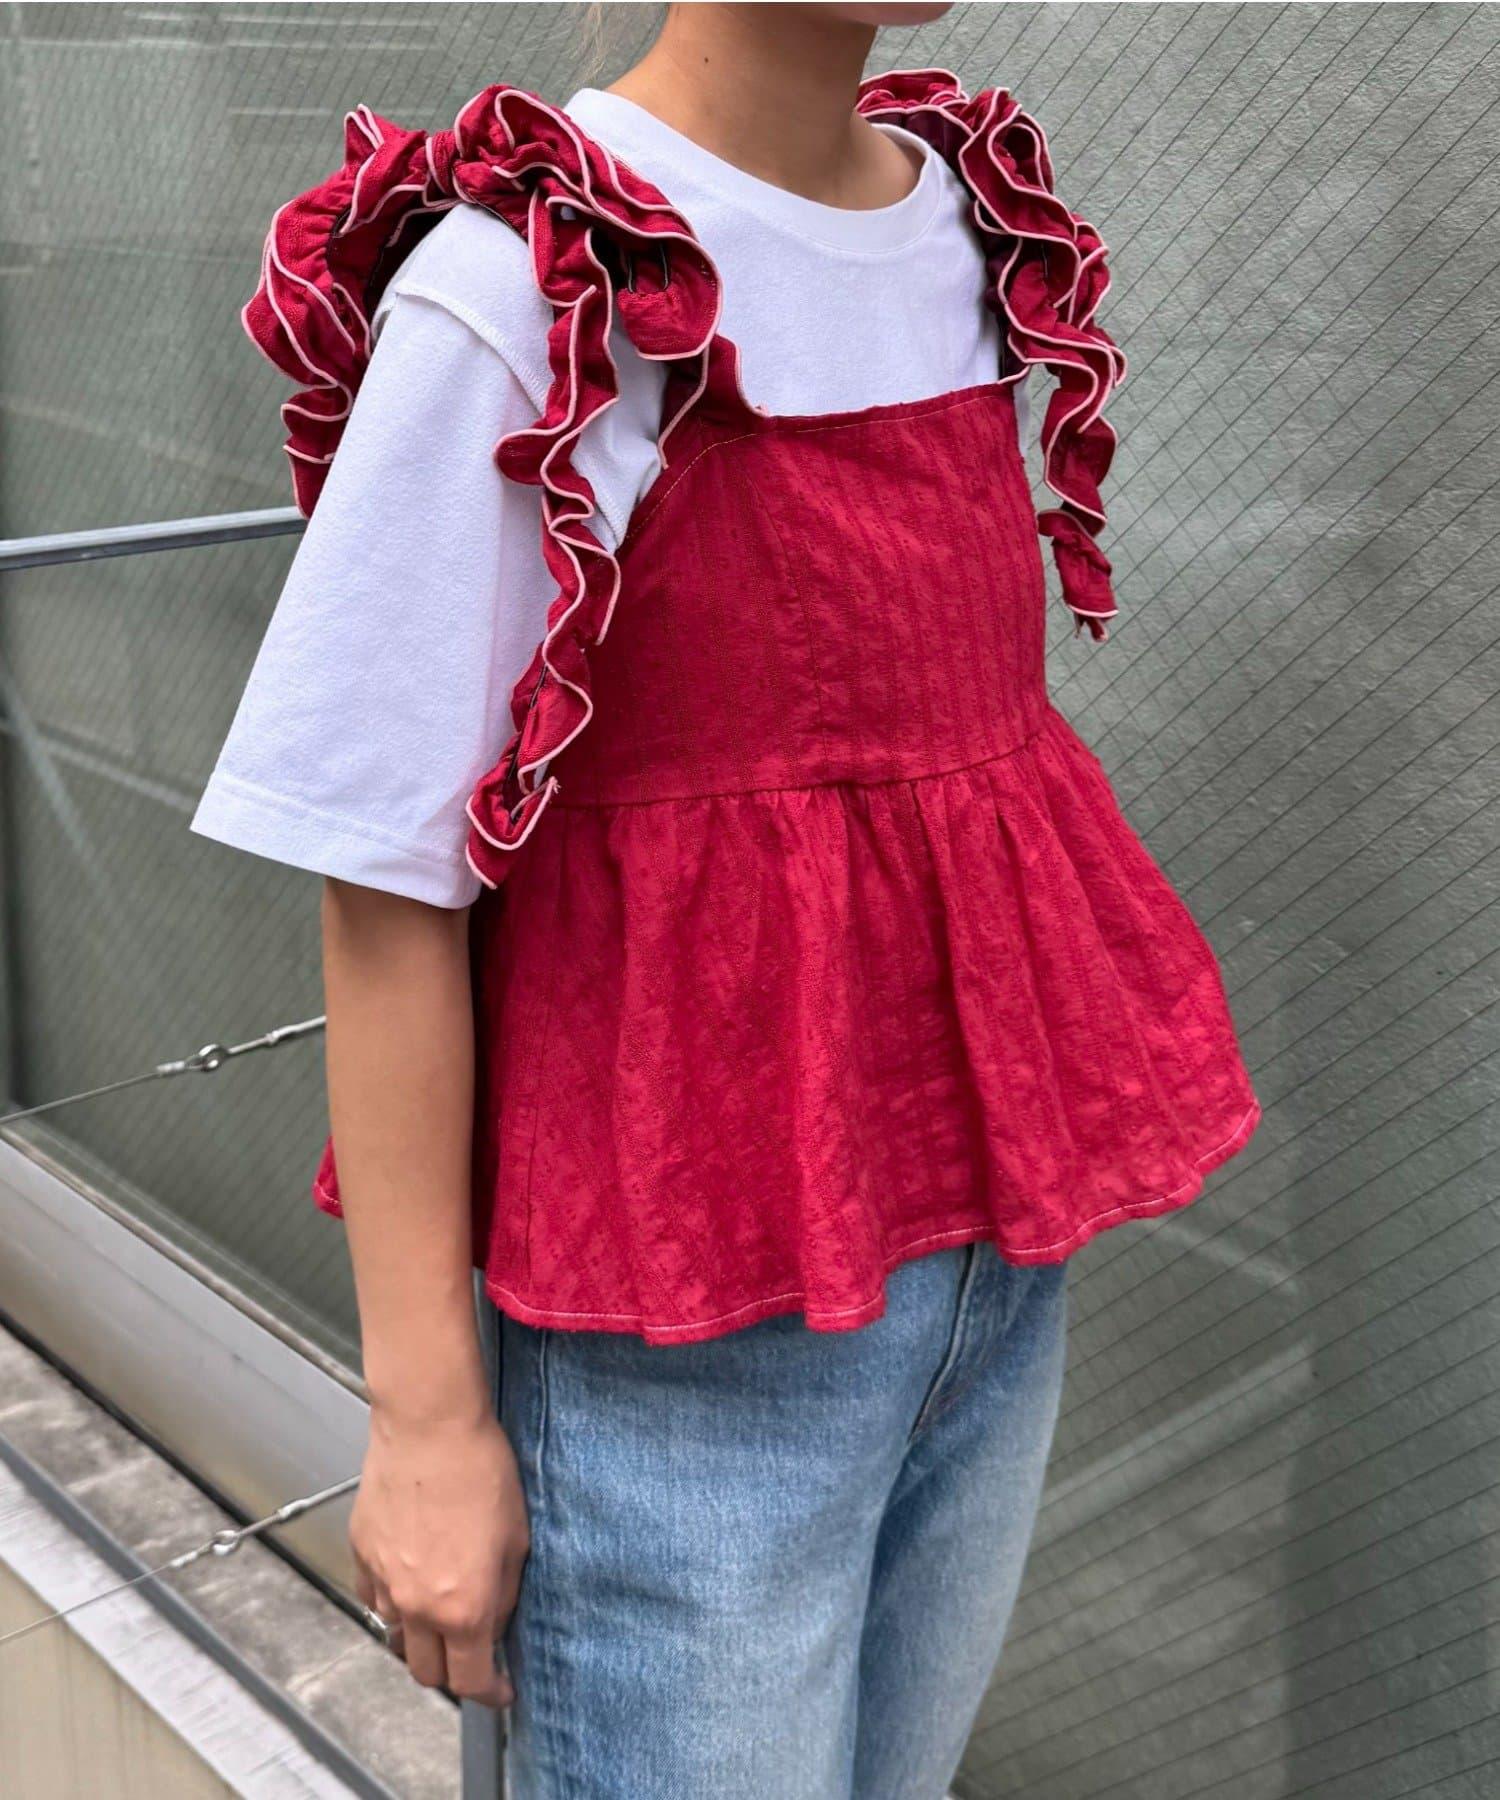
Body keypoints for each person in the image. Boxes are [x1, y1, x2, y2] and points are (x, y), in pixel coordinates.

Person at [193, 4, 1262, 1794]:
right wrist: (428, 1419)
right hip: (679, 1344)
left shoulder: (961, 224)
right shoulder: (535, 286)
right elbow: (384, 882)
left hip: (990, 1273)